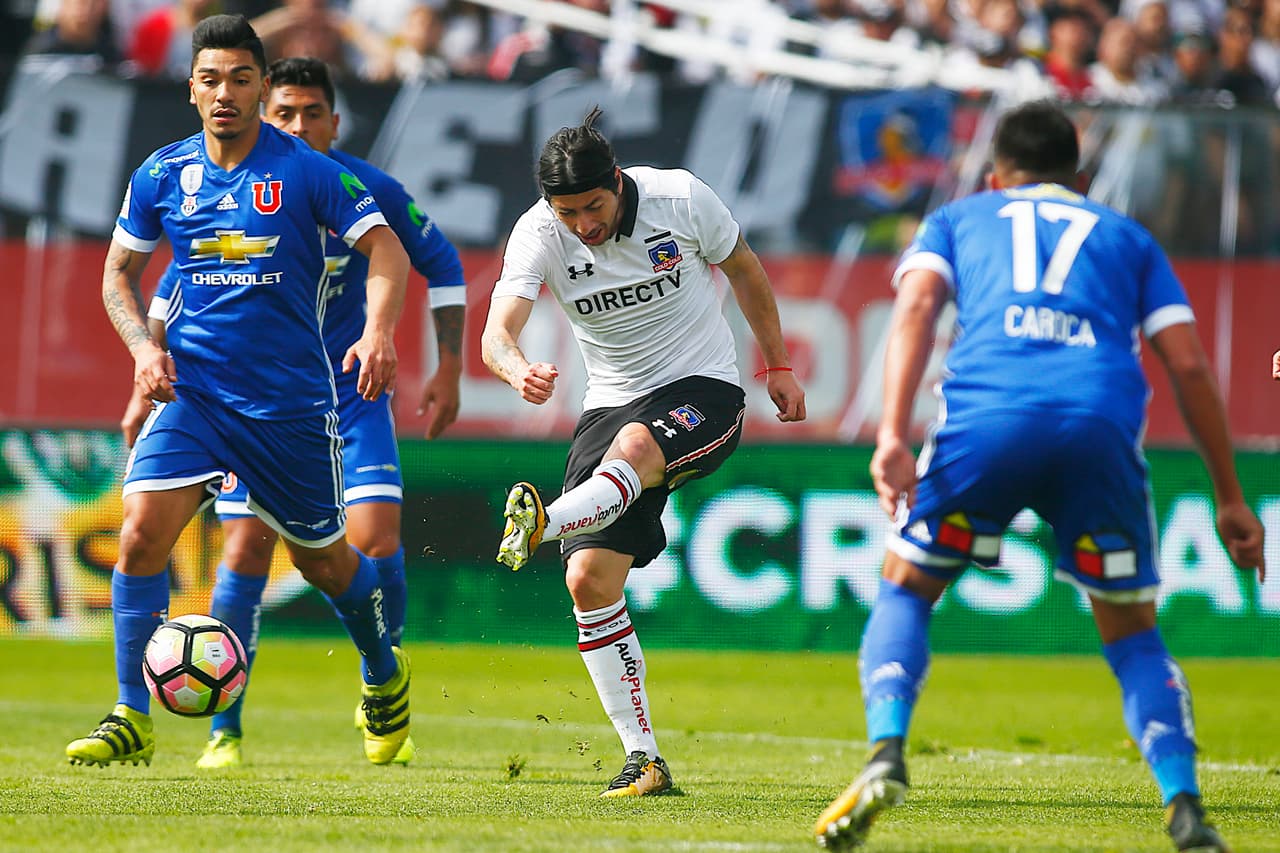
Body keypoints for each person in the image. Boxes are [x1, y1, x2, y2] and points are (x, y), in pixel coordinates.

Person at [812, 101, 1265, 852]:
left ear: (996, 175)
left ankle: (887, 750)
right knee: (1131, 635)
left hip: (985, 427)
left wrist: (892, 434)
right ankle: (1185, 806)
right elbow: (1186, 363)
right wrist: (1228, 495)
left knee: (908, 585)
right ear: (1082, 177)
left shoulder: (962, 217)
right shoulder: (1128, 237)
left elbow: (919, 303)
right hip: (1098, 431)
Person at [66, 14, 414, 770]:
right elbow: (118, 274)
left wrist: (379, 331)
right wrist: (141, 353)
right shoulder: (162, 174)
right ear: (192, 89)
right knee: (138, 535)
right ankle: (132, 709)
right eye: (211, 79)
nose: (225, 93)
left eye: (240, 79)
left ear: (261, 86)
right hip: (194, 397)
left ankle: (383, 669)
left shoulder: (308, 171)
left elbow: (386, 248)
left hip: (290, 408)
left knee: (327, 562)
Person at [481, 107, 807, 797]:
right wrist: (515, 368)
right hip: (612, 401)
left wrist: (776, 365)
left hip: (704, 389)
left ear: (618, 182)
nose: (582, 225)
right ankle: (645, 759)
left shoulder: (680, 198)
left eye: (592, 207)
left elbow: (745, 271)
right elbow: (497, 331)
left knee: (635, 446)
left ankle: (548, 520)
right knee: (589, 582)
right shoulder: (539, 230)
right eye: (567, 211)